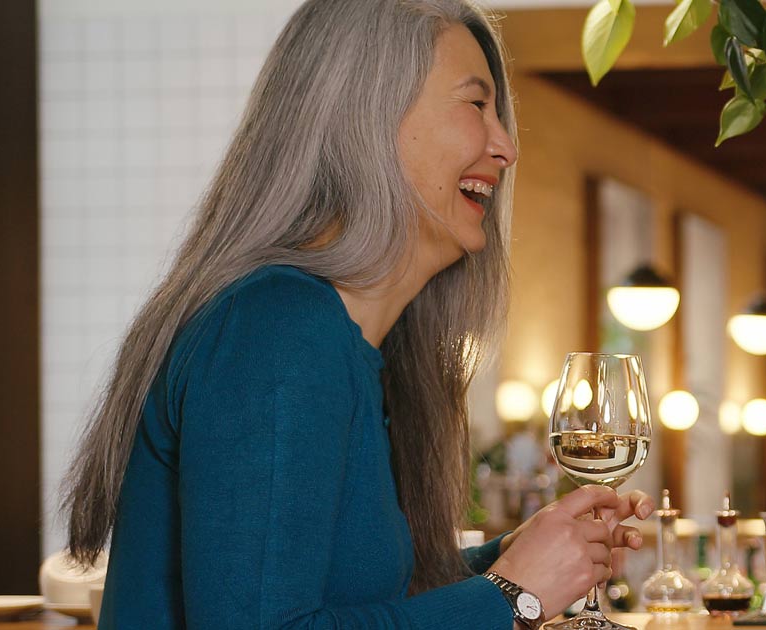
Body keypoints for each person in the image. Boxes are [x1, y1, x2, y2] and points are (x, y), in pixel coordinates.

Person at [58, 1, 651, 626]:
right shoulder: (278, 329)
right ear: (365, 118)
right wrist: (512, 597)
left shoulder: (356, 347)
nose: (505, 147)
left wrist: (515, 561)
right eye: (477, 105)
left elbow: (352, 602)